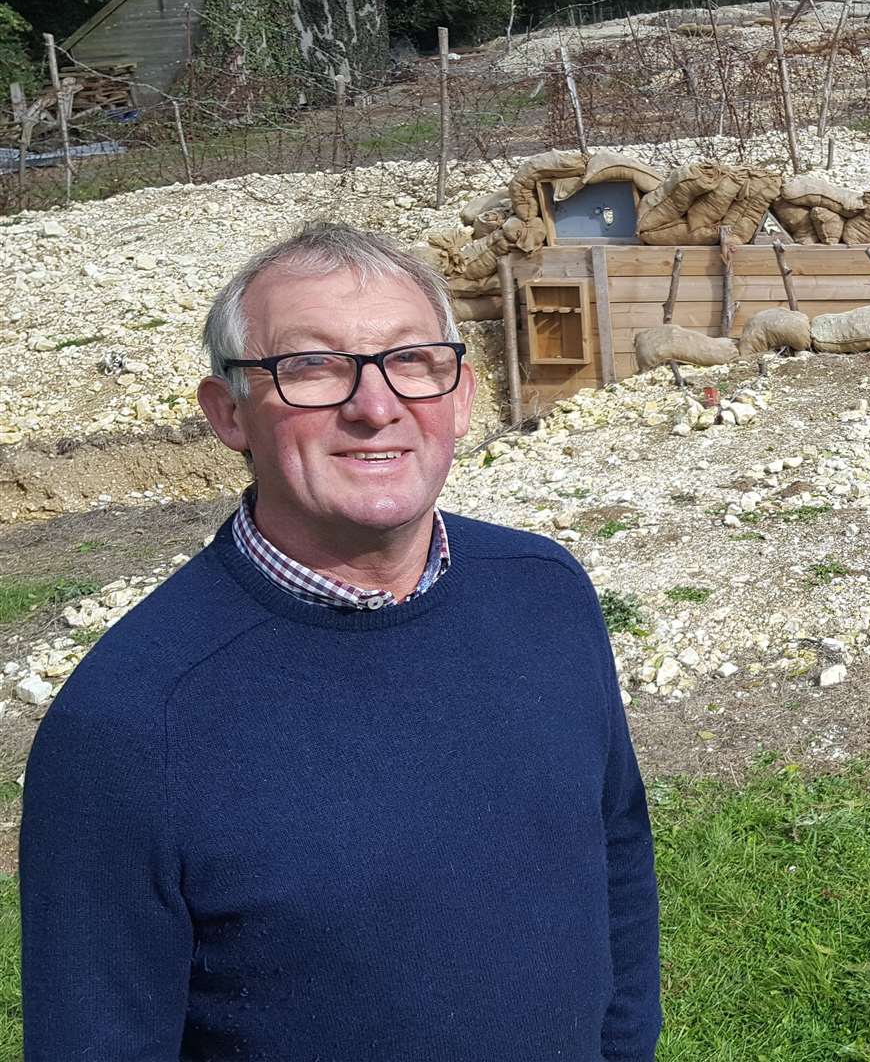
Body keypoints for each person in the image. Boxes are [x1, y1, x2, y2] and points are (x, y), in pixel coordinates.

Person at [20, 222, 660, 1060]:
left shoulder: (546, 593)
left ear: (462, 394)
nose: (375, 405)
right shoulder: (134, 721)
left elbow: (615, 853)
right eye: (312, 367)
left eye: (412, 360)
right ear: (228, 415)